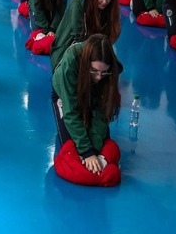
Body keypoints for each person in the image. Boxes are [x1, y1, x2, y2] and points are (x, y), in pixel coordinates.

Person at [52, 34, 123, 172]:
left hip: (92, 93)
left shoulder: (111, 70)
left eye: (104, 72)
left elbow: (104, 111)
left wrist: (95, 150)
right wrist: (86, 151)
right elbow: (70, 110)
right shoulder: (71, 61)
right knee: (71, 149)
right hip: (65, 93)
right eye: (94, 71)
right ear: (86, 63)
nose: (99, 77)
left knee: (101, 142)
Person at [50, 0, 121, 71]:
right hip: (70, 48)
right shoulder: (78, 4)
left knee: (115, 68)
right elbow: (79, 40)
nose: (105, 2)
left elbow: (109, 35)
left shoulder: (110, 7)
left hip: (91, 45)